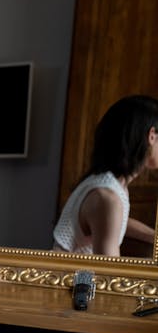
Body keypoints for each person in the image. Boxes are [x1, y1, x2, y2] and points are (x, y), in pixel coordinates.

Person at [53, 94, 158, 256]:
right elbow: (108, 274)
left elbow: (114, 221)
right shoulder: (107, 198)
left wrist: (153, 236)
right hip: (76, 279)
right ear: (152, 136)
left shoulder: (109, 185)